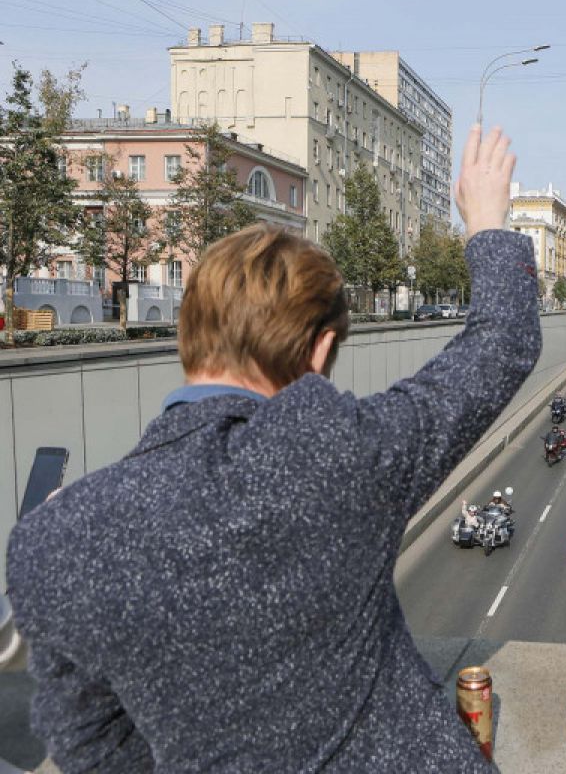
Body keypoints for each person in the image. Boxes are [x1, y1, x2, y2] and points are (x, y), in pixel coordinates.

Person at [6, 124, 534, 773]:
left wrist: (75, 523)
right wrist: (485, 219)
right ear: (319, 351)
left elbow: (93, 748)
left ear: (188, 334)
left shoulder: (51, 540)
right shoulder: (339, 453)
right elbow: (501, 346)